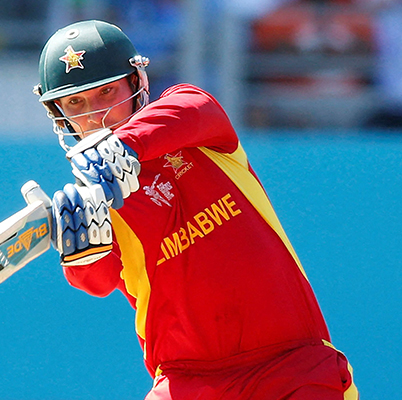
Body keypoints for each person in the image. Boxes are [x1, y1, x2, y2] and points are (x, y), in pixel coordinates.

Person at [29, 20, 359, 399]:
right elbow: (98, 283)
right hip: (187, 382)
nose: (94, 115)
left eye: (106, 92)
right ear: (58, 112)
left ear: (136, 83)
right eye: (75, 102)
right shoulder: (97, 200)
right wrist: (79, 253)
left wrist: (123, 146)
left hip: (293, 366)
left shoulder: (192, 123)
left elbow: (195, 106)